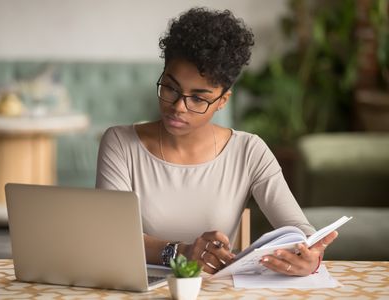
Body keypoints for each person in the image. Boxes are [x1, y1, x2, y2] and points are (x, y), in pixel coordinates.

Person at [96, 7, 337, 276]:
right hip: (140, 290)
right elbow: (111, 235)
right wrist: (181, 252)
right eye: (170, 88)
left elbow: (297, 227)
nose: (178, 106)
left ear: (223, 100)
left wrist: (311, 256)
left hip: (217, 290)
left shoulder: (249, 151)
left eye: (198, 98)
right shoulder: (119, 143)